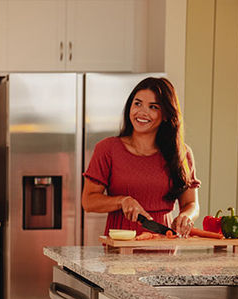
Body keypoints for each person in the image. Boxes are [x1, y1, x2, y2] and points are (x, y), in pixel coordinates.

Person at [82, 77, 200, 237]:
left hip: (163, 244)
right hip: (120, 246)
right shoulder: (107, 149)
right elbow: (88, 201)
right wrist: (122, 201)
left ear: (165, 114)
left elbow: (191, 203)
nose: (142, 112)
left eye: (153, 107)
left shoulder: (181, 154)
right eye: (137, 103)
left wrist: (187, 216)